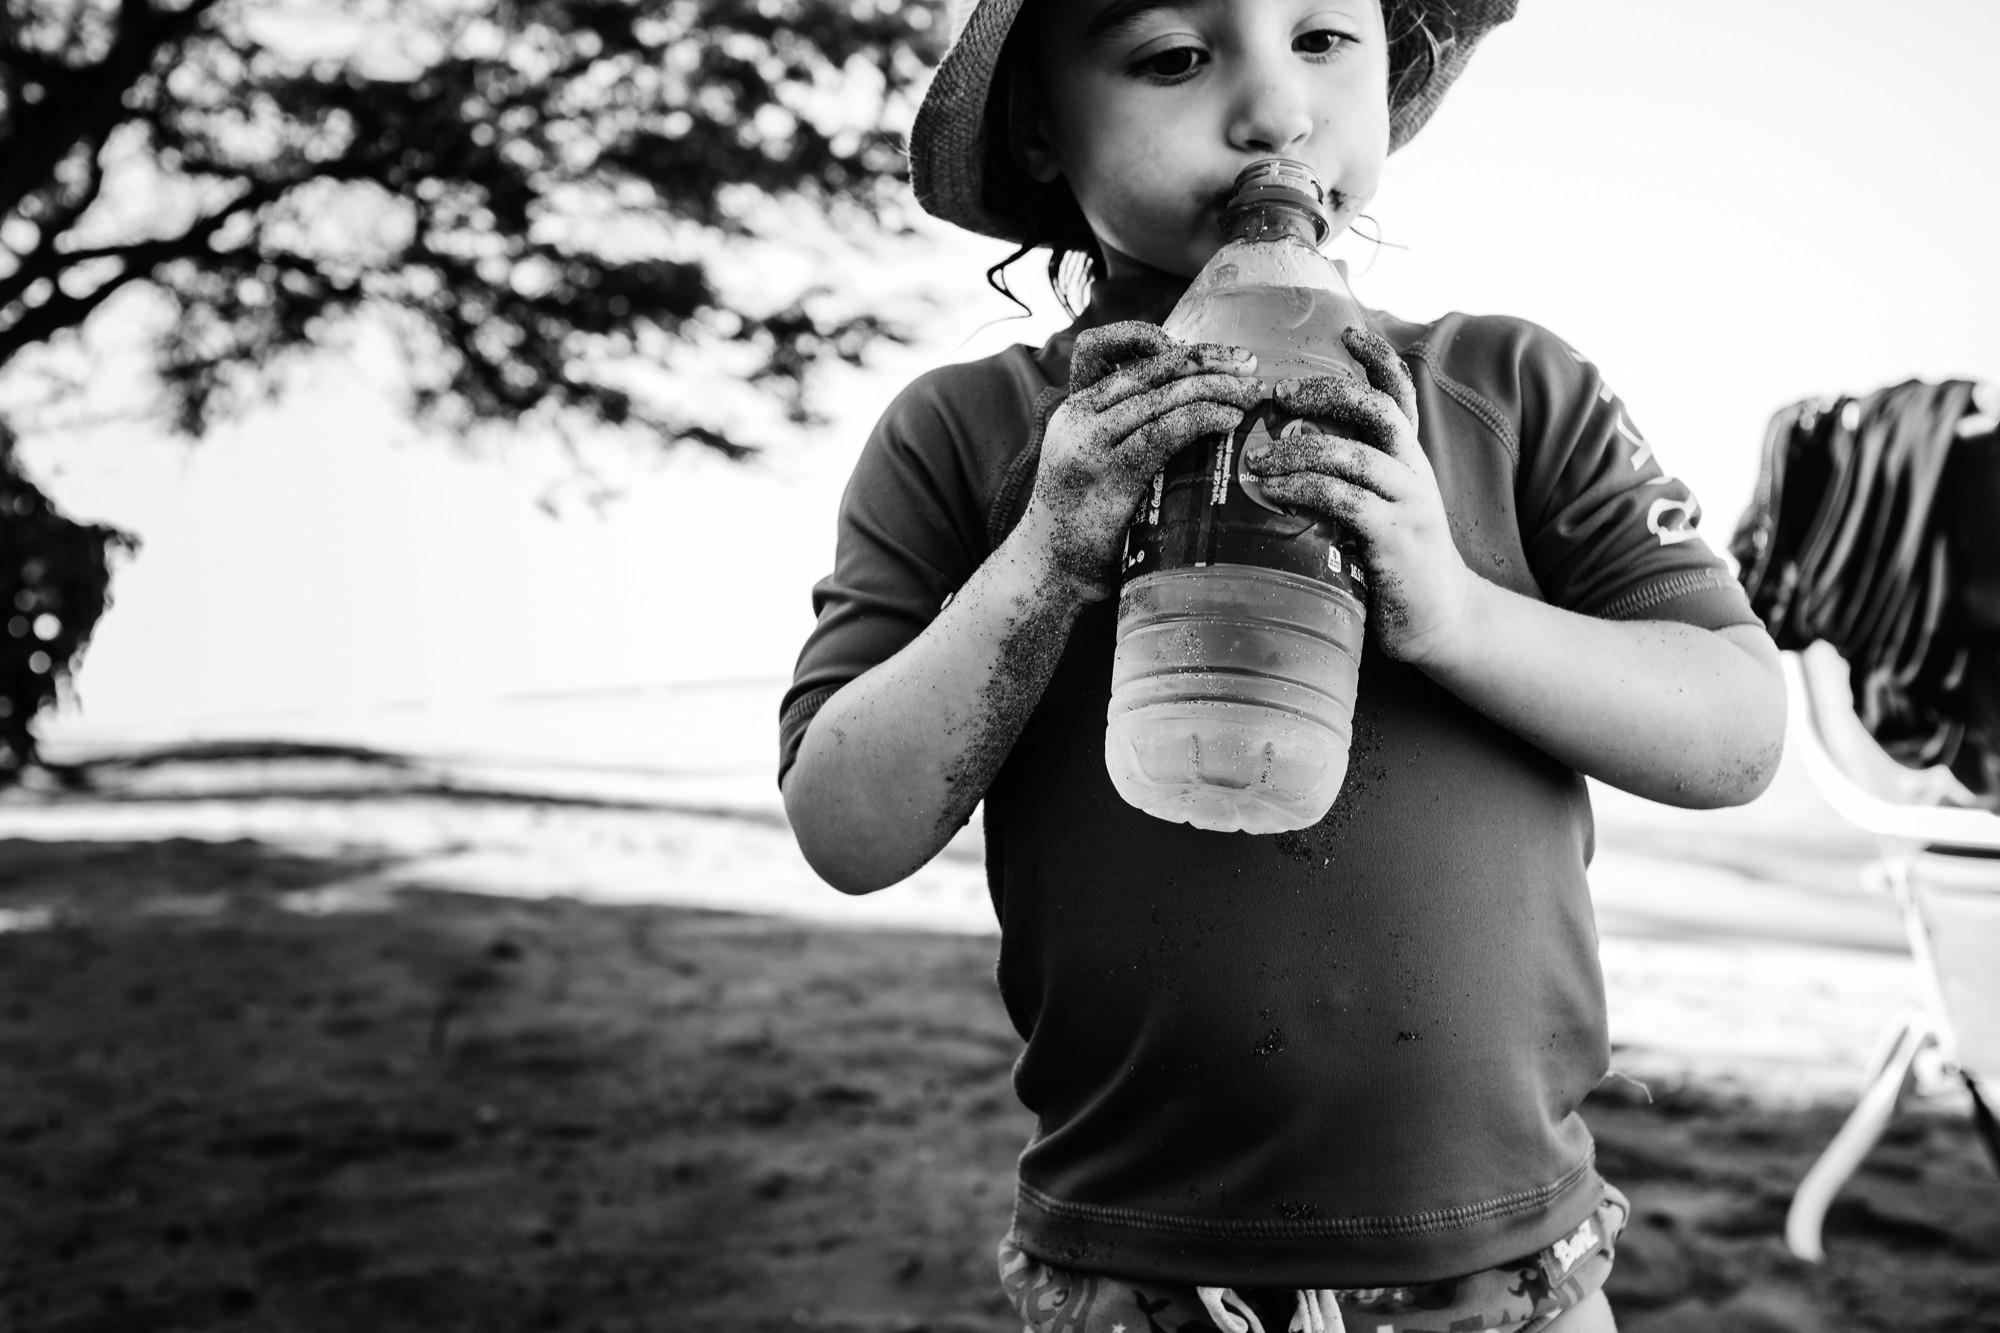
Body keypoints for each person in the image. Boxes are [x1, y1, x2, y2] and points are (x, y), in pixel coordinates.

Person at [778, 1, 1787, 1329]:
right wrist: (1046, 552)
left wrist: (1458, 614)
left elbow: (1736, 729)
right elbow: (848, 823)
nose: (1274, 110)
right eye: (1175, 58)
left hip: (1502, 1265)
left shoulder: (1510, 392)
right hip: (1132, 1266)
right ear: (1038, 123)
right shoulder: (968, 440)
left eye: (1322, 37)